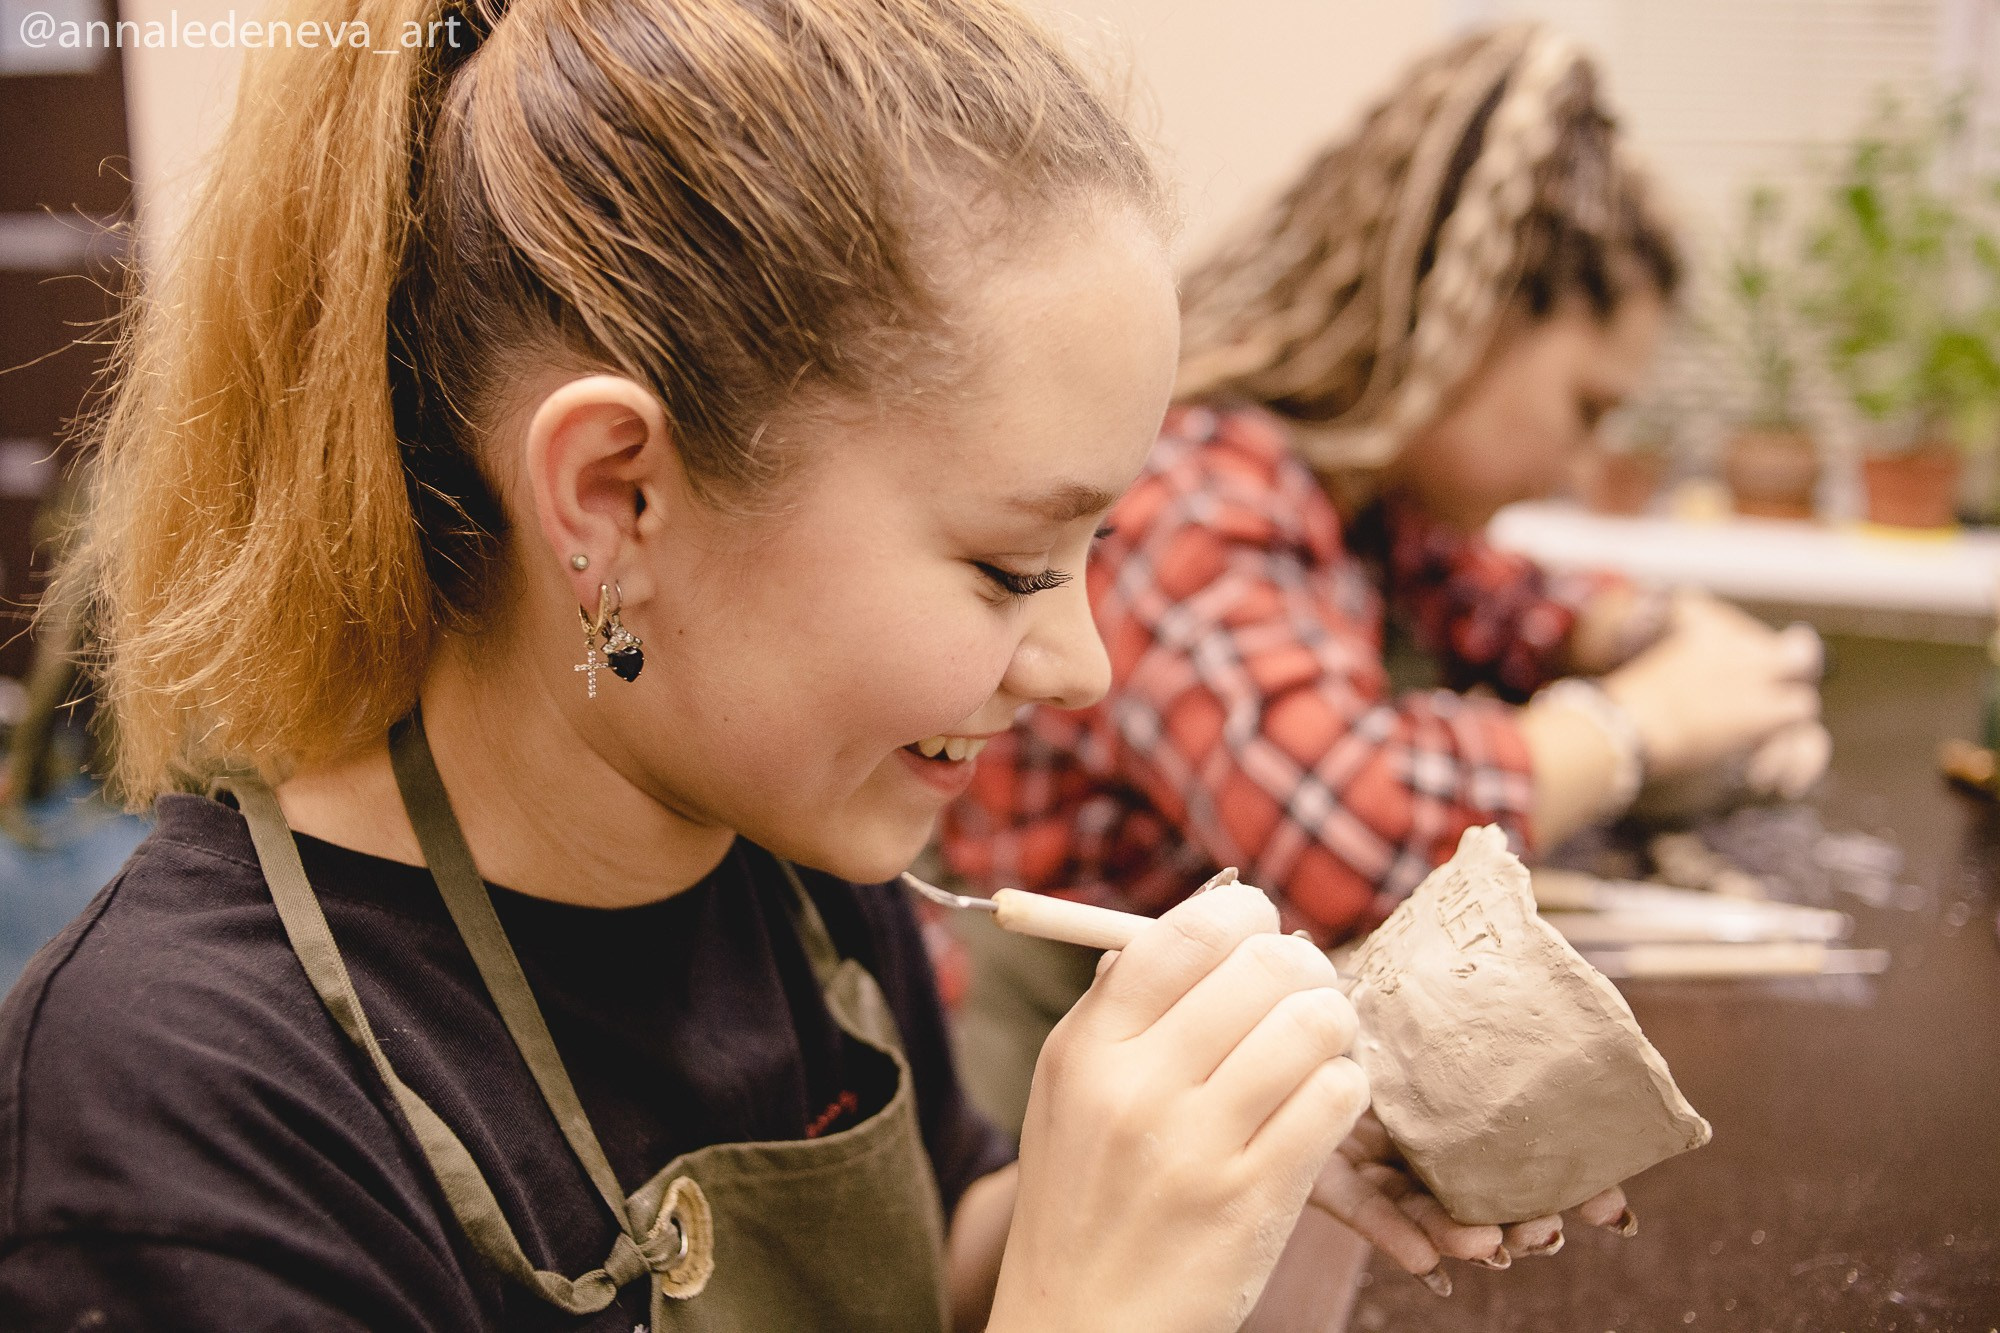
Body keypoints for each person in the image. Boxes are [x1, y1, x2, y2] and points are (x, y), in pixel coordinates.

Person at [1, 0, 1629, 1328]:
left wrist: (1230, 1185)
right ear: (615, 499)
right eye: (1009, 562)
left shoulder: (795, 845)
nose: (1084, 658)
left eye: (1096, 554)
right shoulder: (171, 1125)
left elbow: (933, 1264)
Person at [940, 24, 1827, 1143]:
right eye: (1583, 408)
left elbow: (1522, 607)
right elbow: (1338, 832)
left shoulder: (1361, 499)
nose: (1576, 464)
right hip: (1040, 1088)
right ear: (1475, 318)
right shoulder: (1195, 489)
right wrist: (1635, 725)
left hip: (1178, 1065)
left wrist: (1688, 643)